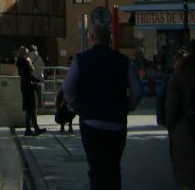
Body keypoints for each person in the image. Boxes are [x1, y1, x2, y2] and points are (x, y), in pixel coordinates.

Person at [63, 22, 143, 189]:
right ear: (109, 39)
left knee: (96, 169)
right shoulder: (123, 61)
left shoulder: (81, 59)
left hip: (90, 121)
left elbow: (68, 87)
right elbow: (137, 90)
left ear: (92, 38)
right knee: (113, 169)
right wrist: (128, 106)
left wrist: (77, 107)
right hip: (116, 122)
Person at [166, 39, 195, 189]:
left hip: (187, 133)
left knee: (189, 177)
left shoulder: (179, 76)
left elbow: (172, 110)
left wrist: (172, 129)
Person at [17, 45, 46, 136]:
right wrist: (37, 80)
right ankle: (28, 129)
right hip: (28, 86)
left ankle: (34, 128)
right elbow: (28, 75)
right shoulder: (24, 62)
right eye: (27, 52)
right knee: (30, 109)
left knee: (31, 109)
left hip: (25, 86)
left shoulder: (21, 61)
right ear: (25, 53)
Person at [29, 44, 45, 109]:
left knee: (32, 93)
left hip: (32, 77)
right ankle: (40, 105)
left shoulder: (28, 57)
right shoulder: (39, 57)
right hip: (39, 78)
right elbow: (43, 67)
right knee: (39, 92)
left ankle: (33, 105)